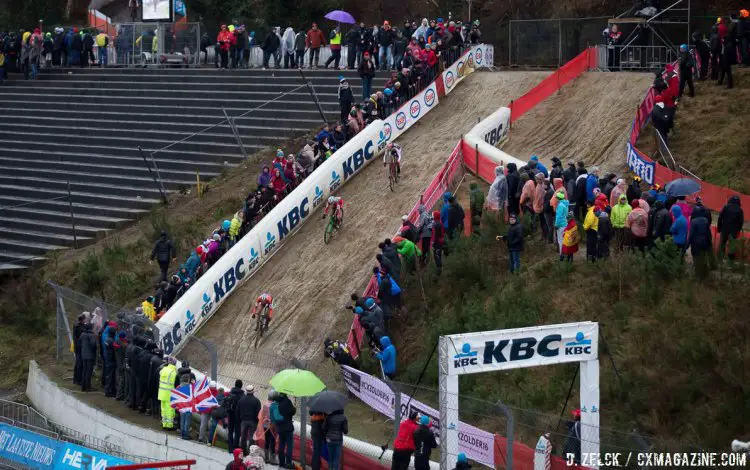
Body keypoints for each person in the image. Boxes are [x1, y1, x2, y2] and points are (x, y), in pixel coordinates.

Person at [718, 195, 744, 260]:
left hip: (724, 229)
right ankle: (730, 262)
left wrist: (719, 228)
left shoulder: (726, 207)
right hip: (734, 231)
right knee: (732, 246)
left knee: (722, 244)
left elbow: (720, 217)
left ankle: (720, 260)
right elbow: (741, 222)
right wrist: (738, 230)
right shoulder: (740, 210)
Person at [274, 393, 296, 469]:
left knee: (281, 446)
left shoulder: (276, 402)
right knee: (289, 446)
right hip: (288, 428)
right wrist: (294, 408)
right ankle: (288, 463)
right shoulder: (288, 401)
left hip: (280, 428)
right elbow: (291, 412)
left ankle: (281, 464)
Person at [238, 384, 262, 453]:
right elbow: (258, 413)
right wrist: (257, 422)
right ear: (253, 391)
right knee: (251, 437)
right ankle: (250, 451)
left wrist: (240, 419)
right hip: (253, 421)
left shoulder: (241, 400)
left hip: (243, 420)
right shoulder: (256, 401)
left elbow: (238, 410)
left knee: (243, 436)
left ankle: (243, 450)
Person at [158, 356, 178, 430]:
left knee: (163, 409)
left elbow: (160, 373)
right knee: (170, 410)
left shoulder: (164, 369)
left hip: (161, 393)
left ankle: (164, 423)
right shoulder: (173, 372)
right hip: (169, 394)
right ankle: (169, 425)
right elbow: (175, 383)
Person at [226, 379, 245, 451]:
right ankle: (235, 447)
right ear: (241, 386)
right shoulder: (242, 395)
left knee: (230, 430)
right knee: (237, 431)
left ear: (235, 385)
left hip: (230, 414)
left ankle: (230, 447)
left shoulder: (230, 393)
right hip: (238, 416)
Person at [79, 323, 98, 392]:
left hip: (83, 355)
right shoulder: (92, 336)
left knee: (84, 371)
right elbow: (93, 346)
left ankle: (83, 386)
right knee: (89, 372)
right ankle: (88, 387)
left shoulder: (82, 334)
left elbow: (79, 343)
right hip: (90, 356)